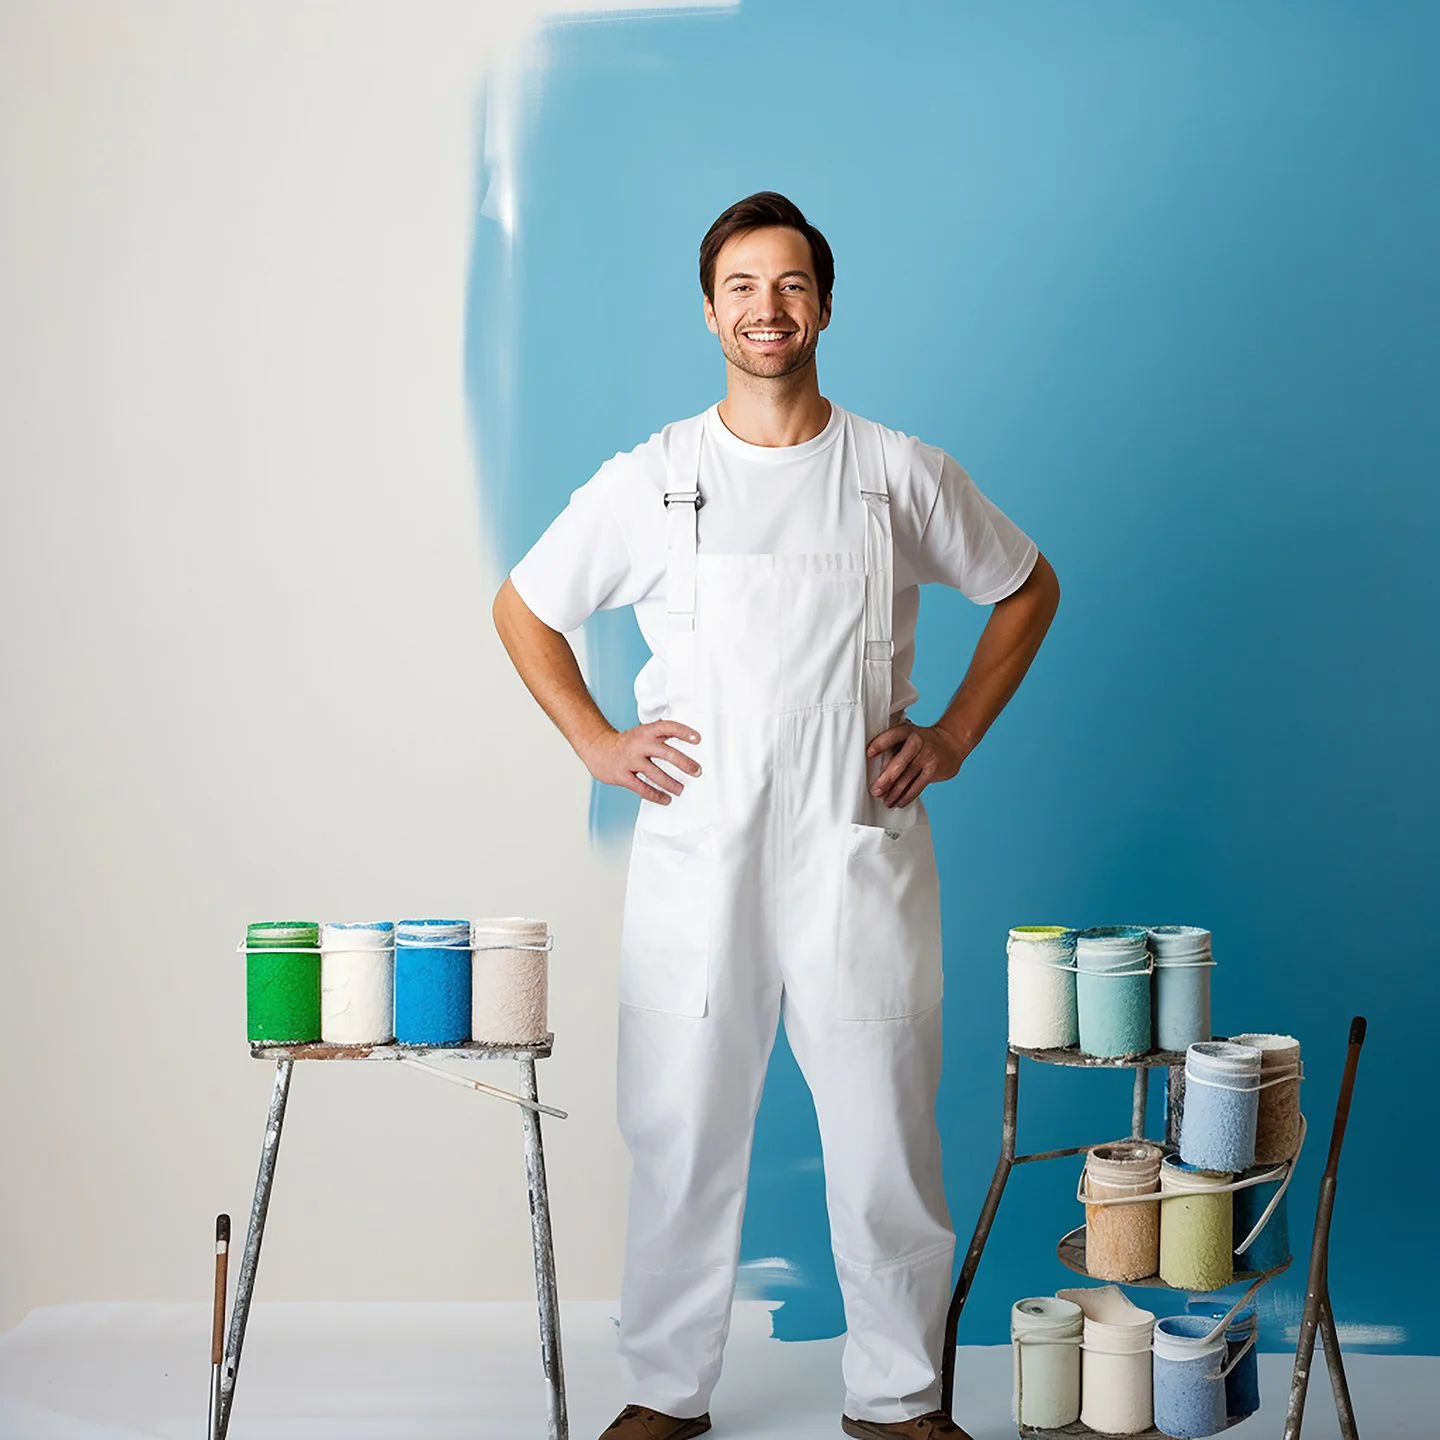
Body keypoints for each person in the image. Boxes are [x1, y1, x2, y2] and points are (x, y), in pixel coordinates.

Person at [493, 192, 1060, 1440]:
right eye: (743, 286)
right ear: (710, 311)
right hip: (699, 860)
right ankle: (664, 1393)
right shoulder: (654, 481)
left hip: (857, 855)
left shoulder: (898, 474)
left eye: (791, 284)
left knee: (885, 1143)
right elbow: (525, 605)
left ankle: (902, 1399)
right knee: (681, 1132)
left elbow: (1026, 588)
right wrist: (595, 740)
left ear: (825, 305)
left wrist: (953, 736)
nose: (768, 308)